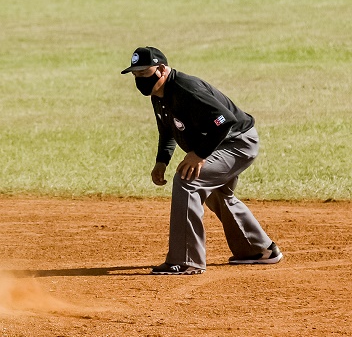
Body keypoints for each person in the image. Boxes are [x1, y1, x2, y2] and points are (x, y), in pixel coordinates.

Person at [121, 46, 283, 275]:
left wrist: (199, 155)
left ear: (161, 69)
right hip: (223, 143)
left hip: (237, 143)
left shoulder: (187, 89)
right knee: (219, 194)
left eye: (144, 73)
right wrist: (161, 161)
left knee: (187, 180)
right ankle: (259, 250)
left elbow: (224, 121)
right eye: (136, 75)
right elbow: (167, 130)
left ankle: (186, 260)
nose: (140, 79)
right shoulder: (159, 94)